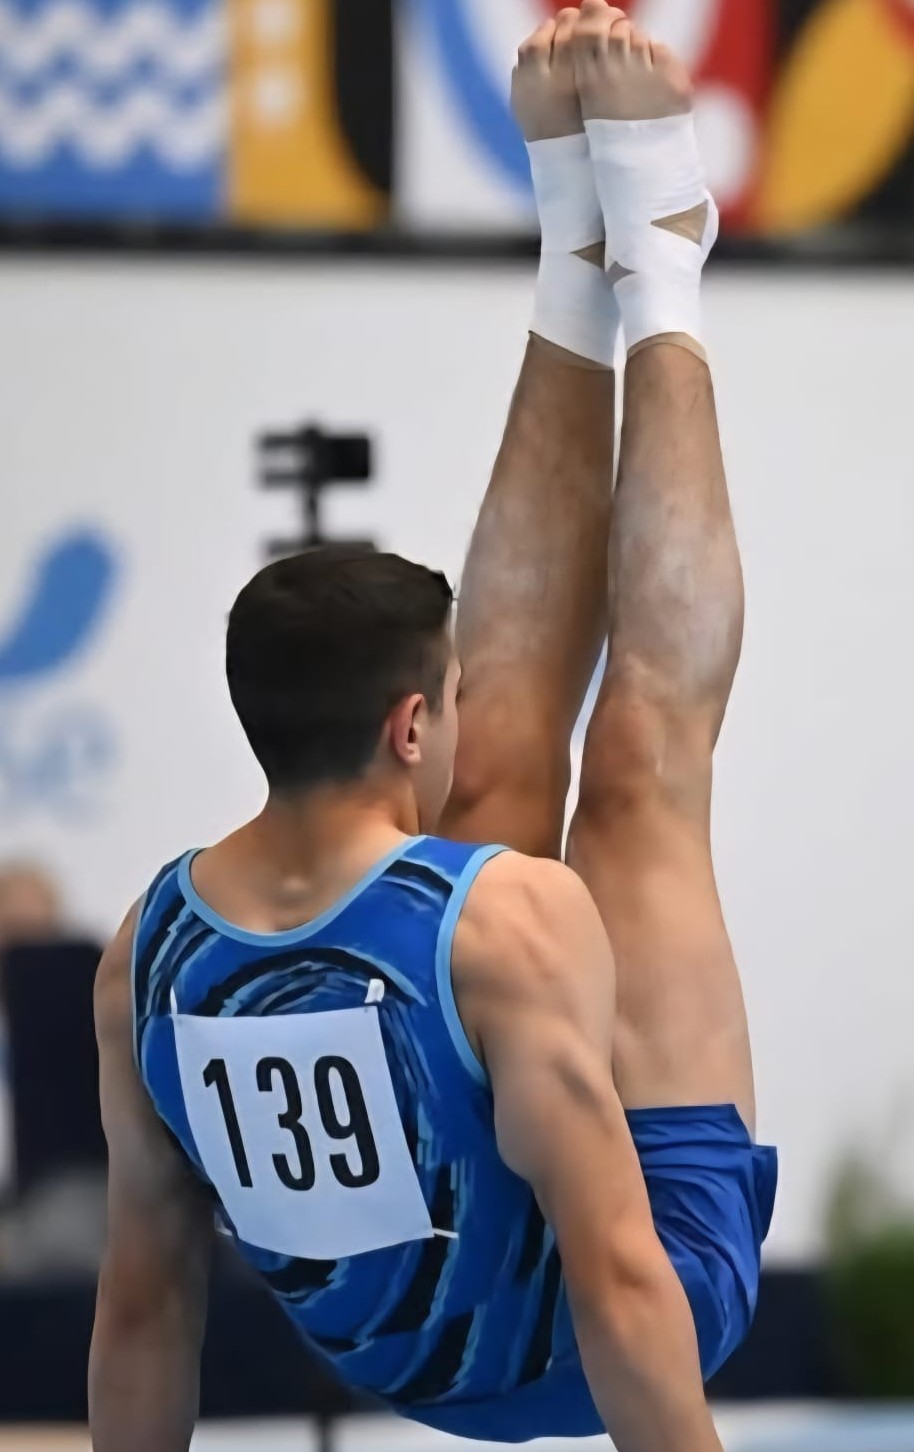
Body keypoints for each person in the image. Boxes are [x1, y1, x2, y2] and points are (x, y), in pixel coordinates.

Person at [89, 7, 777, 1450]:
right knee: (644, 768)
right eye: (444, 695)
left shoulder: (146, 953)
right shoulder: (512, 925)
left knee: (504, 774)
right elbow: (623, 1282)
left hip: (412, 1363)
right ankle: (662, 255)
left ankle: (574, 256)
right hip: (616, 1320)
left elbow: (146, 1302)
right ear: (409, 723)